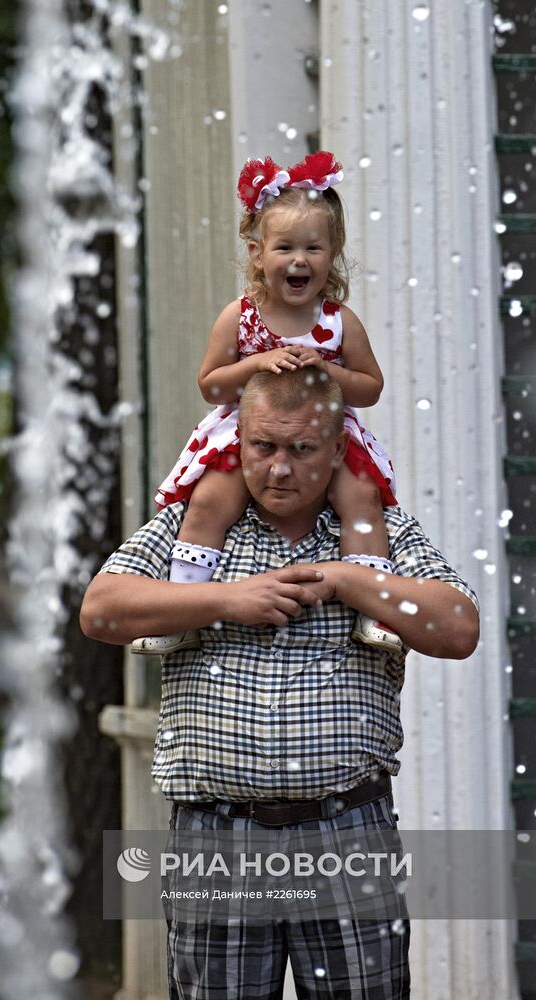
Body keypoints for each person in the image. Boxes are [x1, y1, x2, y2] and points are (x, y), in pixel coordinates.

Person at [80, 368, 479, 1000]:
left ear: (337, 450)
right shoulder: (193, 534)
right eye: (263, 447)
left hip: (346, 831)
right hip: (217, 837)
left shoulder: (378, 535)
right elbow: (101, 609)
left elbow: (458, 628)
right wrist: (225, 600)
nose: (280, 469)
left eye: (301, 449)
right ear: (238, 441)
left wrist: (347, 579)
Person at [133, 150, 400, 657]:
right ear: (257, 254)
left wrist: (329, 371)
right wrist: (256, 364)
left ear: (333, 253)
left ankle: (376, 610)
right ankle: (184, 603)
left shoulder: (339, 321)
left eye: (313, 248)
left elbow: (371, 387)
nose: (299, 260)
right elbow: (210, 384)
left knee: (361, 498)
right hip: (247, 433)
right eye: (284, 248)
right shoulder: (242, 316)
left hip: (323, 438)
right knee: (211, 499)